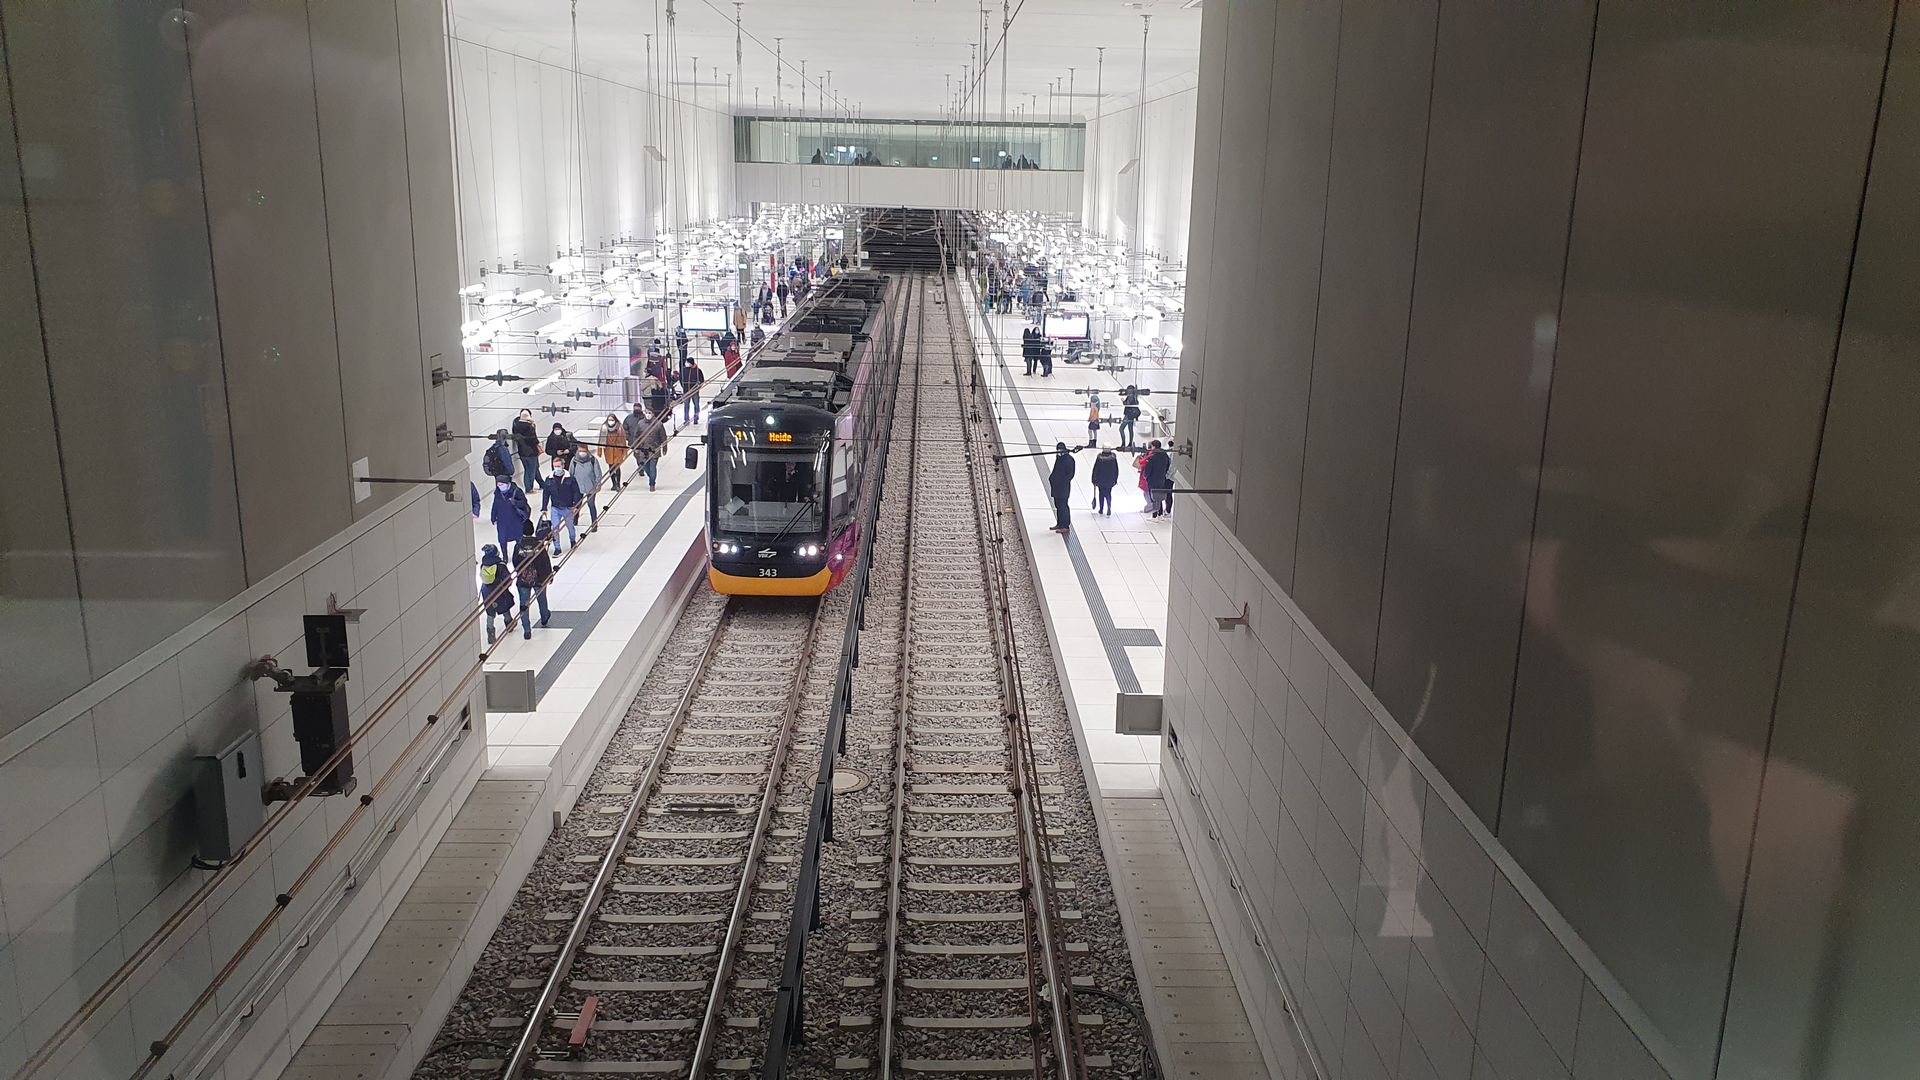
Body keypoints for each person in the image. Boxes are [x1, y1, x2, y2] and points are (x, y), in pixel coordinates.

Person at [512, 522, 553, 638]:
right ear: (533, 530)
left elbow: (515, 561)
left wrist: (520, 572)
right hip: (539, 578)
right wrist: (549, 575)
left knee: (524, 604)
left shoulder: (518, 545)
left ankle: (527, 630)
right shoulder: (538, 544)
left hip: (523, 579)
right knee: (542, 599)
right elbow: (545, 562)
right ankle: (544, 617)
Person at [478, 544, 515, 645]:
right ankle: (509, 624)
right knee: (504, 607)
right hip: (499, 590)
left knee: (490, 613)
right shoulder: (500, 565)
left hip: (487, 592)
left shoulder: (483, 565)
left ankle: (490, 633)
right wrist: (506, 586)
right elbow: (507, 579)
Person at [542, 460, 582, 552]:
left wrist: (576, 505)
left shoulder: (570, 478)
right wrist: (544, 508)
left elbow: (576, 492)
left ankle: (572, 541)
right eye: (555, 466)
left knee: (570, 527)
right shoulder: (549, 479)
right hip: (555, 507)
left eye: (558, 466)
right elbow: (546, 494)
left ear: (563, 465)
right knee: (555, 528)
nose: (557, 468)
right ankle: (557, 547)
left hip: (568, 507)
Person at [489, 477, 531, 550]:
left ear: (507, 483)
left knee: (518, 537)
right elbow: (495, 505)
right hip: (502, 521)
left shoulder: (516, 491)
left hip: (515, 519)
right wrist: (493, 517)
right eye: (498, 485)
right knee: (502, 539)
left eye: (501, 484)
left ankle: (519, 552)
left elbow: (523, 503)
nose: (500, 487)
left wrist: (515, 502)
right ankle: (505, 555)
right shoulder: (498, 493)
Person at [541, 422, 575, 510]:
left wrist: (569, 450)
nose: (557, 431)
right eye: (555, 429)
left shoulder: (567, 436)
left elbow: (575, 446)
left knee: (567, 478)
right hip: (556, 460)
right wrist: (556, 452)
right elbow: (547, 450)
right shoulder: (551, 438)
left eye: (558, 429)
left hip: (567, 459)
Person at [571, 441, 604, 530]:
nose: (582, 453)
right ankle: (575, 519)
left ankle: (594, 523)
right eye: (580, 451)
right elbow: (571, 474)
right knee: (577, 504)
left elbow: (598, 474)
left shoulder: (593, 460)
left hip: (590, 486)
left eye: (583, 451)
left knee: (591, 504)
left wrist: (598, 485)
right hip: (578, 487)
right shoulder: (574, 460)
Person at [634, 407, 668, 491]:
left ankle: (652, 484)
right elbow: (636, 436)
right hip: (643, 449)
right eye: (646, 412)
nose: (648, 414)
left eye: (649, 413)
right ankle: (651, 477)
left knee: (652, 467)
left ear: (653, 414)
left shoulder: (658, 424)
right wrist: (636, 447)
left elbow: (663, 437)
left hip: (654, 449)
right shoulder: (640, 423)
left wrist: (664, 448)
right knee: (645, 467)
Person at [1048, 442, 1075, 534]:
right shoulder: (1059, 458)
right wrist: (1052, 478)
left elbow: (1070, 475)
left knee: (1063, 506)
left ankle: (1065, 525)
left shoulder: (1069, 460)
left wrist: (1061, 481)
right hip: (1056, 487)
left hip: (1063, 488)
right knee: (1058, 505)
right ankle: (1059, 523)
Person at [511, 409, 541, 491]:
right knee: (531, 471)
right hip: (531, 452)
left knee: (528, 470)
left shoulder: (516, 425)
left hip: (522, 452)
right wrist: (533, 427)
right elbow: (533, 440)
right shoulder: (529, 427)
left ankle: (537, 485)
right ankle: (529, 488)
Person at [1144, 439, 1172, 519]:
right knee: (1159, 496)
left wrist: (1146, 476)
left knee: (1153, 497)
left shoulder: (1152, 457)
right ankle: (1160, 513)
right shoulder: (1165, 455)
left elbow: (1147, 470)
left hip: (1152, 479)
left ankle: (1155, 515)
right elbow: (1168, 466)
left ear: (1153, 446)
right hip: (1161, 478)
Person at [601, 413, 629, 490]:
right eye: (609, 420)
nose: (610, 421)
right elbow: (602, 440)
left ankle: (618, 484)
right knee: (611, 468)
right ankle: (614, 484)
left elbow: (623, 440)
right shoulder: (604, 428)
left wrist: (623, 450)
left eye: (612, 420)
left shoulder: (619, 428)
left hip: (617, 450)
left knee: (617, 467)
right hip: (609, 451)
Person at [1091, 447, 1119, 516]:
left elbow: (1095, 469)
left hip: (1100, 480)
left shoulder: (1099, 458)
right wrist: (1115, 479)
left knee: (1101, 494)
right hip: (1110, 480)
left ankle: (1101, 509)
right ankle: (1109, 508)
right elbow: (1116, 470)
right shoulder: (1113, 458)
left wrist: (1093, 479)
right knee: (1108, 494)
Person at [679, 353, 705, 424]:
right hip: (686, 391)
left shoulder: (698, 371)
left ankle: (696, 418)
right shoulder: (684, 370)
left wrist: (697, 388)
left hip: (694, 391)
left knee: (696, 405)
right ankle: (686, 419)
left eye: (688, 362)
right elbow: (680, 379)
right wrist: (683, 386)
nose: (686, 364)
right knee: (686, 405)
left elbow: (701, 380)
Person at [1119, 385, 1142, 449]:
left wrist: (1123, 401)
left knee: (1121, 428)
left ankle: (1123, 444)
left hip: (1128, 415)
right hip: (1132, 415)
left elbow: (1127, 404)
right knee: (1130, 429)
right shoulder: (1134, 396)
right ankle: (1130, 443)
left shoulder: (1130, 396)